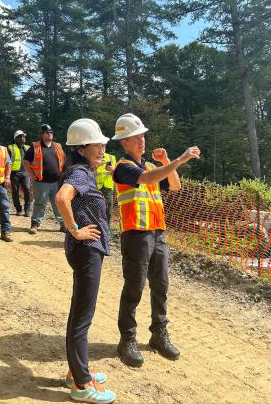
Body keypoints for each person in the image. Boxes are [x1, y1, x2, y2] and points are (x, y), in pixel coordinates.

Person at [112, 113, 200, 367]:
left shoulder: (151, 166)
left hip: (157, 233)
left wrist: (166, 160)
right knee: (135, 288)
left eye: (142, 136)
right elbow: (148, 180)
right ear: (124, 143)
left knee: (161, 285)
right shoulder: (123, 168)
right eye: (134, 137)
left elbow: (174, 186)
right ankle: (127, 339)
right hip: (136, 235)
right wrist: (183, 158)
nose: (141, 140)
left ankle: (158, 335)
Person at [55, 118, 116, 404]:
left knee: (80, 313)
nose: (103, 145)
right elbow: (61, 199)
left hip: (86, 249)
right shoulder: (79, 173)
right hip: (86, 249)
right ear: (81, 148)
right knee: (82, 318)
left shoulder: (82, 169)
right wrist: (75, 230)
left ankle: (75, 370)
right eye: (97, 142)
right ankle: (81, 385)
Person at [23, 124, 66, 234]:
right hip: (41, 182)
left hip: (56, 182)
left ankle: (63, 225)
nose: (50, 134)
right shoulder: (35, 146)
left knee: (58, 204)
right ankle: (35, 224)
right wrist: (32, 175)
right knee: (40, 203)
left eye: (51, 132)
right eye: (47, 132)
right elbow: (25, 161)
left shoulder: (57, 146)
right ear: (42, 134)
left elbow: (63, 161)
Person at [8, 129, 31, 216]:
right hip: (14, 173)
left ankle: (27, 209)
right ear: (16, 138)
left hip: (26, 172)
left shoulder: (28, 148)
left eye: (24, 136)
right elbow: (7, 161)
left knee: (27, 189)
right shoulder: (10, 148)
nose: (23, 138)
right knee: (15, 191)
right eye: (21, 136)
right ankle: (18, 209)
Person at [94, 152, 116, 223]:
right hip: (96, 188)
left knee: (108, 212)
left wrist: (112, 170)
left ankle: (107, 231)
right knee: (97, 211)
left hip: (108, 188)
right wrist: (96, 166)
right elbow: (88, 172)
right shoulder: (92, 156)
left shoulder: (111, 157)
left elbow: (117, 173)